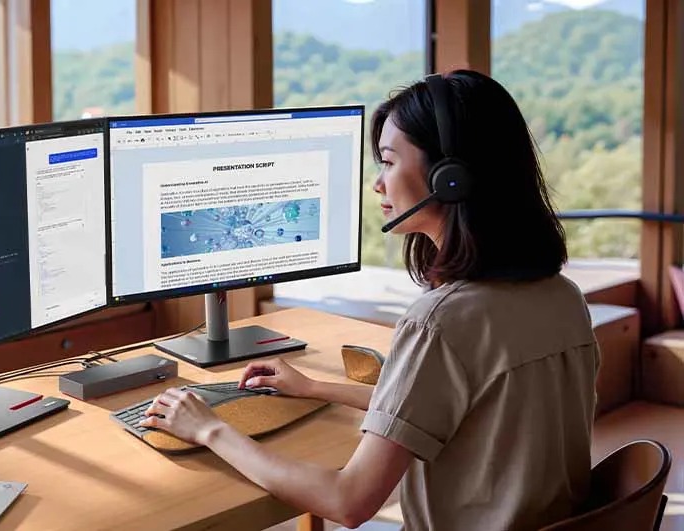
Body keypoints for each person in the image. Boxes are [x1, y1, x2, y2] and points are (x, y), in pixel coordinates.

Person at [140, 70, 600, 530]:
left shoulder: (441, 322)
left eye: (388, 161)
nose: (379, 184)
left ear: (450, 179)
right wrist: (317, 388)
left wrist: (209, 429)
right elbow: (471, 408)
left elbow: (348, 502)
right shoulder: (562, 296)